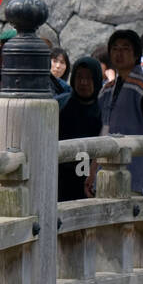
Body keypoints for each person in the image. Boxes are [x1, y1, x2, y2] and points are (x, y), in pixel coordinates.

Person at [96, 29, 143, 196]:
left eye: (125, 48)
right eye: (115, 49)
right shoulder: (106, 90)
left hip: (140, 174)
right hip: (107, 172)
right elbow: (103, 131)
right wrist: (92, 171)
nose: (119, 53)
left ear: (135, 55)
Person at [57, 56, 103, 200]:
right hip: (61, 175)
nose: (83, 82)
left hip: (91, 175)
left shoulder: (104, 108)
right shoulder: (59, 105)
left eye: (89, 78)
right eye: (79, 77)